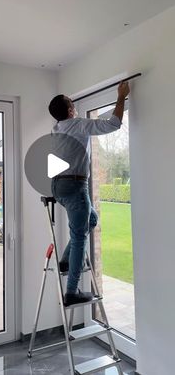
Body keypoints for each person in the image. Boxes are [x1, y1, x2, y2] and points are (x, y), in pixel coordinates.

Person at [48, 81, 130, 306]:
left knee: (91, 220)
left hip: (58, 187)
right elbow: (113, 124)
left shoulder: (55, 129)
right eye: (72, 104)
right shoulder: (77, 124)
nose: (74, 106)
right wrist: (121, 96)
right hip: (74, 186)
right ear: (71, 110)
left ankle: (65, 261)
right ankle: (71, 292)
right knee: (79, 237)